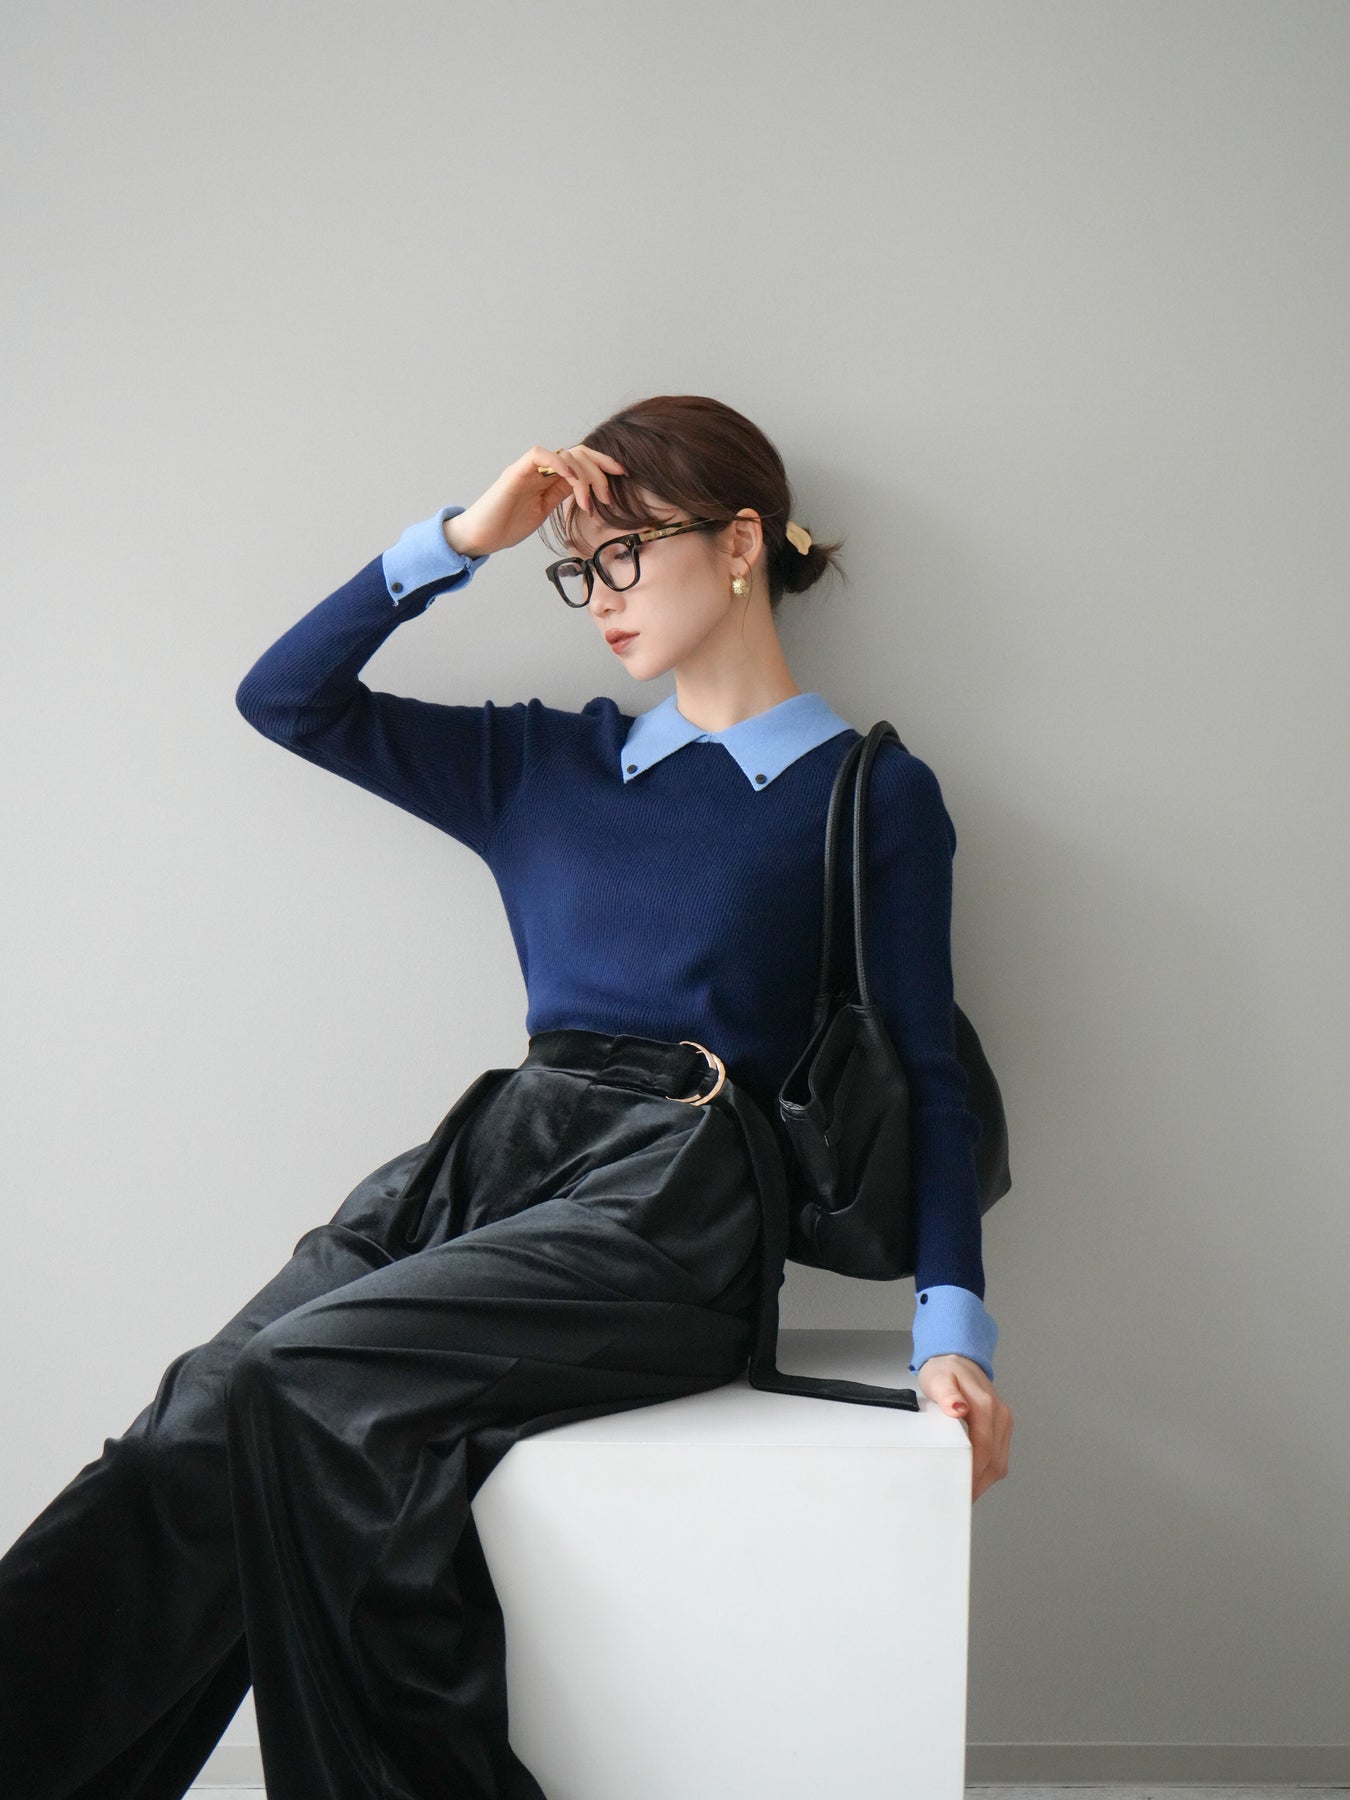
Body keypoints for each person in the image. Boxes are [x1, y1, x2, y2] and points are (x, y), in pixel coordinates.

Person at [0, 392, 1013, 1800]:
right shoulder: (545, 763)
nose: (599, 598)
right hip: (495, 1153)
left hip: (682, 1197)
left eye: (623, 554)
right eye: (576, 568)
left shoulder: (867, 794)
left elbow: (928, 1077)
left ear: (737, 545)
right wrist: (462, 542)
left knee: (309, 1382)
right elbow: (286, 700)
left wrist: (952, 1331)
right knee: (203, 1414)